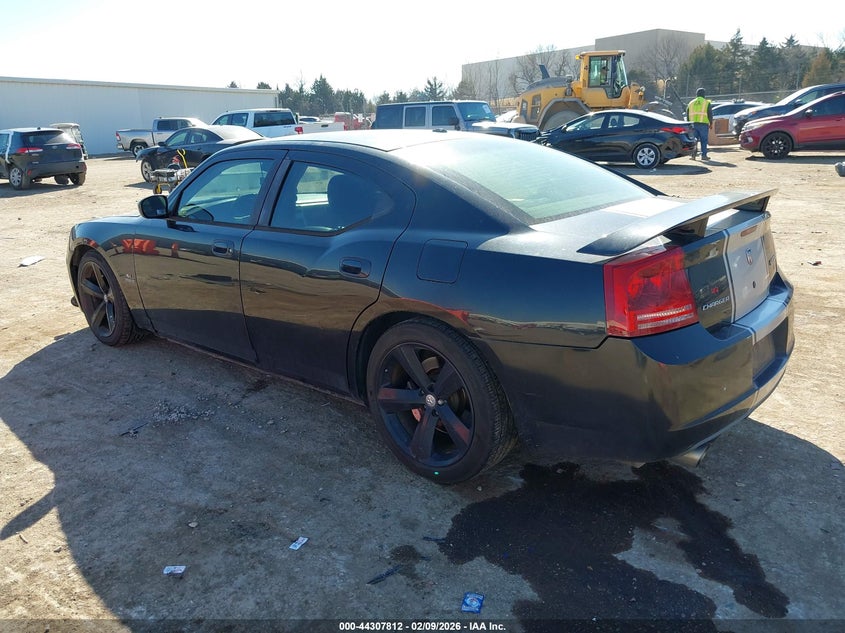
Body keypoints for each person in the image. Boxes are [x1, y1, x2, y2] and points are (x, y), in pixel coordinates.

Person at [687, 87, 714, 160]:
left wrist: (688, 125)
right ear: (704, 95)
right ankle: (704, 156)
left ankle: (693, 155)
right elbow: (710, 114)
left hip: (693, 125)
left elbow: (687, 115)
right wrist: (711, 123)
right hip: (703, 125)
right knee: (704, 140)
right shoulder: (706, 103)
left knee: (694, 140)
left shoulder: (690, 103)